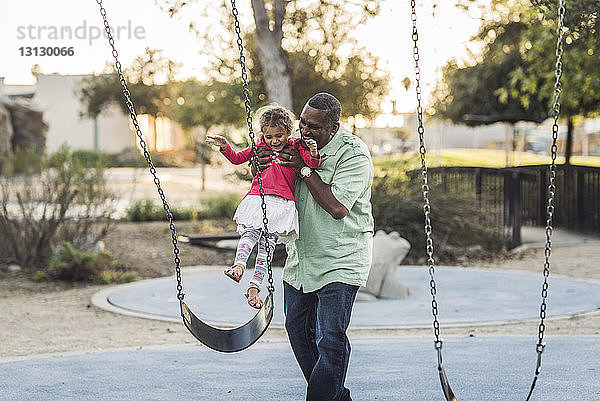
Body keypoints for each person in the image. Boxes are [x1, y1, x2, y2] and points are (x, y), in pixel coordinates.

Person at [255, 93, 374, 401]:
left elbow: (337, 207)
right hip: (301, 259)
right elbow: (273, 184)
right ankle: (334, 396)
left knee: (329, 336)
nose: (305, 131)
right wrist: (261, 165)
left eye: (314, 127)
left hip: (340, 257)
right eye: (303, 123)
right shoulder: (294, 147)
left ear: (333, 127)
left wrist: (304, 170)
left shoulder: (354, 155)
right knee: (297, 331)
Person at [206, 104, 321, 309]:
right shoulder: (259, 146)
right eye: (269, 137)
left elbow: (312, 164)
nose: (274, 141)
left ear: (288, 132)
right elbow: (238, 158)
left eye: (279, 135)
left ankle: (254, 289)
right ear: (263, 135)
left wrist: (313, 151)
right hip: (260, 199)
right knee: (250, 234)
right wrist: (225, 146)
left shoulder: (296, 147)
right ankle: (239, 265)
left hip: (282, 204)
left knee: (266, 251)